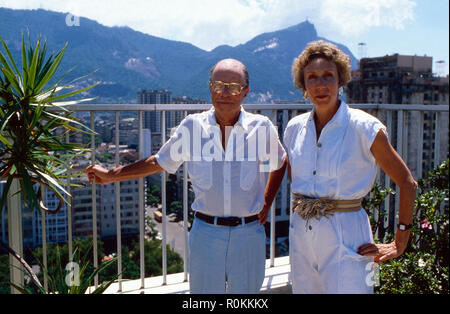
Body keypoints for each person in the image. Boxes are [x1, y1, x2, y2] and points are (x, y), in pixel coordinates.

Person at [86, 58, 287, 294]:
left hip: (248, 234)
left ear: (245, 92)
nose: (225, 92)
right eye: (219, 84)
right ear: (210, 87)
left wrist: (267, 200)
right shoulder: (192, 127)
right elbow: (158, 161)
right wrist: (111, 175)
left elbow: (280, 162)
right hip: (206, 234)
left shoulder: (261, 127)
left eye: (233, 87)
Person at [284, 40, 418, 294]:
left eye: (328, 76)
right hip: (302, 237)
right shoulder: (294, 129)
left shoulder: (365, 128)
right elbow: (297, 180)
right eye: (312, 77)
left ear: (341, 81)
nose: (321, 84)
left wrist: (400, 241)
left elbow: (407, 183)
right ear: (303, 85)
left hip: (350, 237)